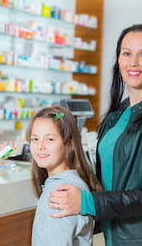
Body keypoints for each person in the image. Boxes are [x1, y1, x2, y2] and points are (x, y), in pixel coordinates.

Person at [48, 23, 142, 246]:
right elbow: (113, 173)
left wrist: (88, 202)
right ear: (118, 60)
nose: (133, 62)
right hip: (117, 235)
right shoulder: (118, 113)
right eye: (126, 53)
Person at [29, 105, 102, 246]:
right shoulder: (75, 181)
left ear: (70, 145)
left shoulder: (58, 194)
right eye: (35, 139)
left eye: (50, 139)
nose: (40, 146)